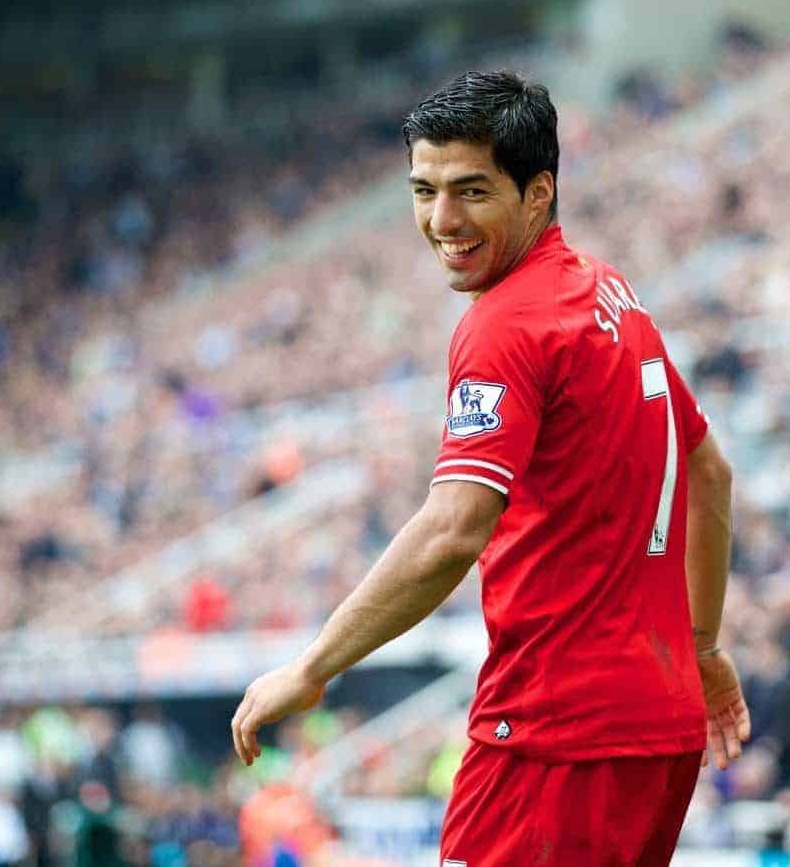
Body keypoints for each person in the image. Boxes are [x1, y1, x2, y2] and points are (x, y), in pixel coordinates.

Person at [231, 70, 750, 865]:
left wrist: (311, 665)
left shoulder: (506, 325)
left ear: (537, 192)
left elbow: (453, 528)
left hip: (554, 733)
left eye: (472, 190)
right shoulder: (611, 294)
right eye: (424, 189)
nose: (443, 219)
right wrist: (703, 648)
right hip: (658, 724)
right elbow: (709, 472)